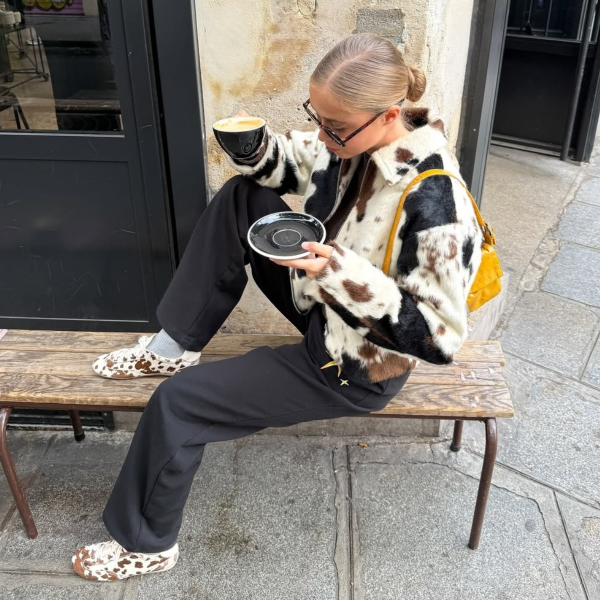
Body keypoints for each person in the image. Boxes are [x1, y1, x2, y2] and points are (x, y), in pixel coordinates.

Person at [72, 32, 482, 581]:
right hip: (322, 304)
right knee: (241, 198)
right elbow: (291, 161)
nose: (323, 134)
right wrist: (251, 145)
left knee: (177, 405)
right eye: (317, 116)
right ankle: (173, 347)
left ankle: (146, 545)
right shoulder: (354, 140)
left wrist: (338, 272)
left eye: (334, 126)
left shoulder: (437, 203)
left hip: (354, 365)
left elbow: (438, 336)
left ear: (388, 115)